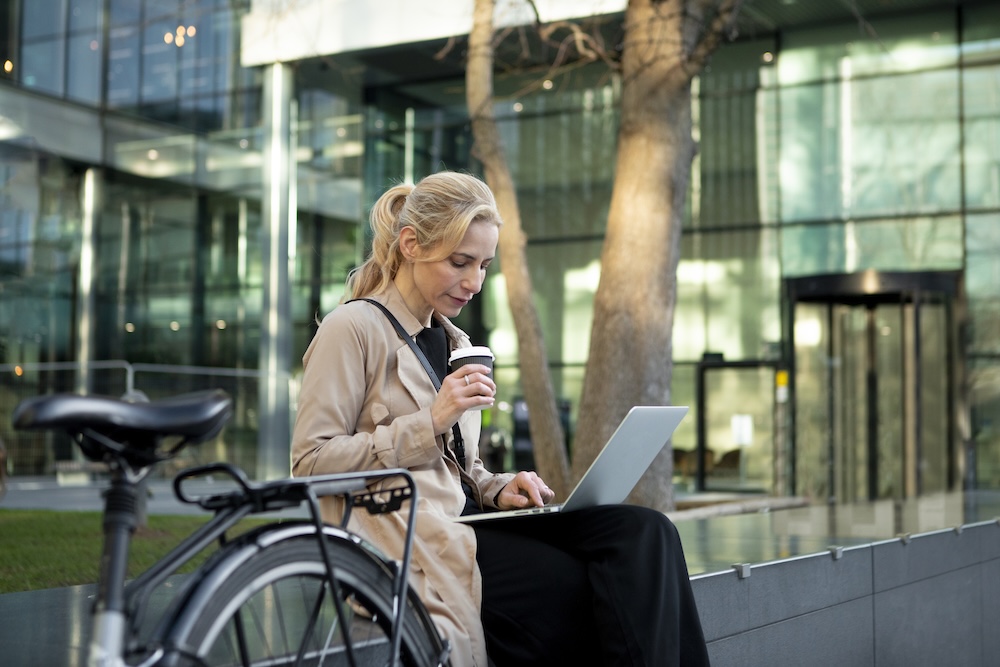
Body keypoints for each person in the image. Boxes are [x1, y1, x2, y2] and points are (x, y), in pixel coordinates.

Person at [291, 171, 710, 667]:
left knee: (646, 533)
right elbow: (310, 463)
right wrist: (430, 419)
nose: (474, 283)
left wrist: (498, 487)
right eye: (459, 262)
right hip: (412, 535)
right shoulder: (352, 328)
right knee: (576, 583)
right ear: (410, 244)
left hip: (473, 520)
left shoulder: (455, 342)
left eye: (485, 265)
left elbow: (457, 470)